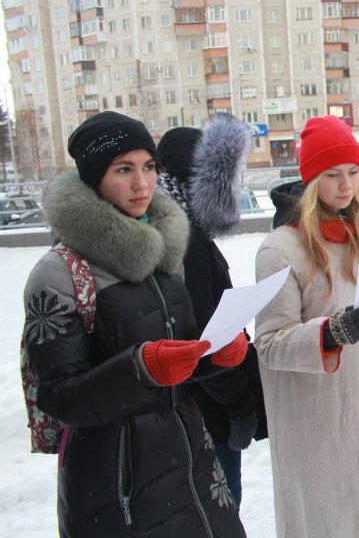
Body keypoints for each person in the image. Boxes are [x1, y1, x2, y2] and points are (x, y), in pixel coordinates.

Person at [22, 111, 246, 537]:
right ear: (94, 178)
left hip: (194, 471)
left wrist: (212, 357)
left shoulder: (167, 253)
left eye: (149, 166)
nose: (142, 183)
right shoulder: (59, 273)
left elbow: (174, 366)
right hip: (117, 489)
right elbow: (58, 397)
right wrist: (141, 369)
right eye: (123, 169)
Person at [254, 115, 359, 537]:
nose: (346, 185)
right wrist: (330, 334)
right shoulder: (280, 249)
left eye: (353, 172)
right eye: (332, 175)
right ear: (311, 180)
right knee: (337, 522)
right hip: (323, 424)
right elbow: (269, 345)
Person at [156, 116, 267, 508]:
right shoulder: (184, 239)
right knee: (216, 510)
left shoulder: (182, 228)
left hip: (201, 406)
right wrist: (239, 406)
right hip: (205, 410)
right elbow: (202, 335)